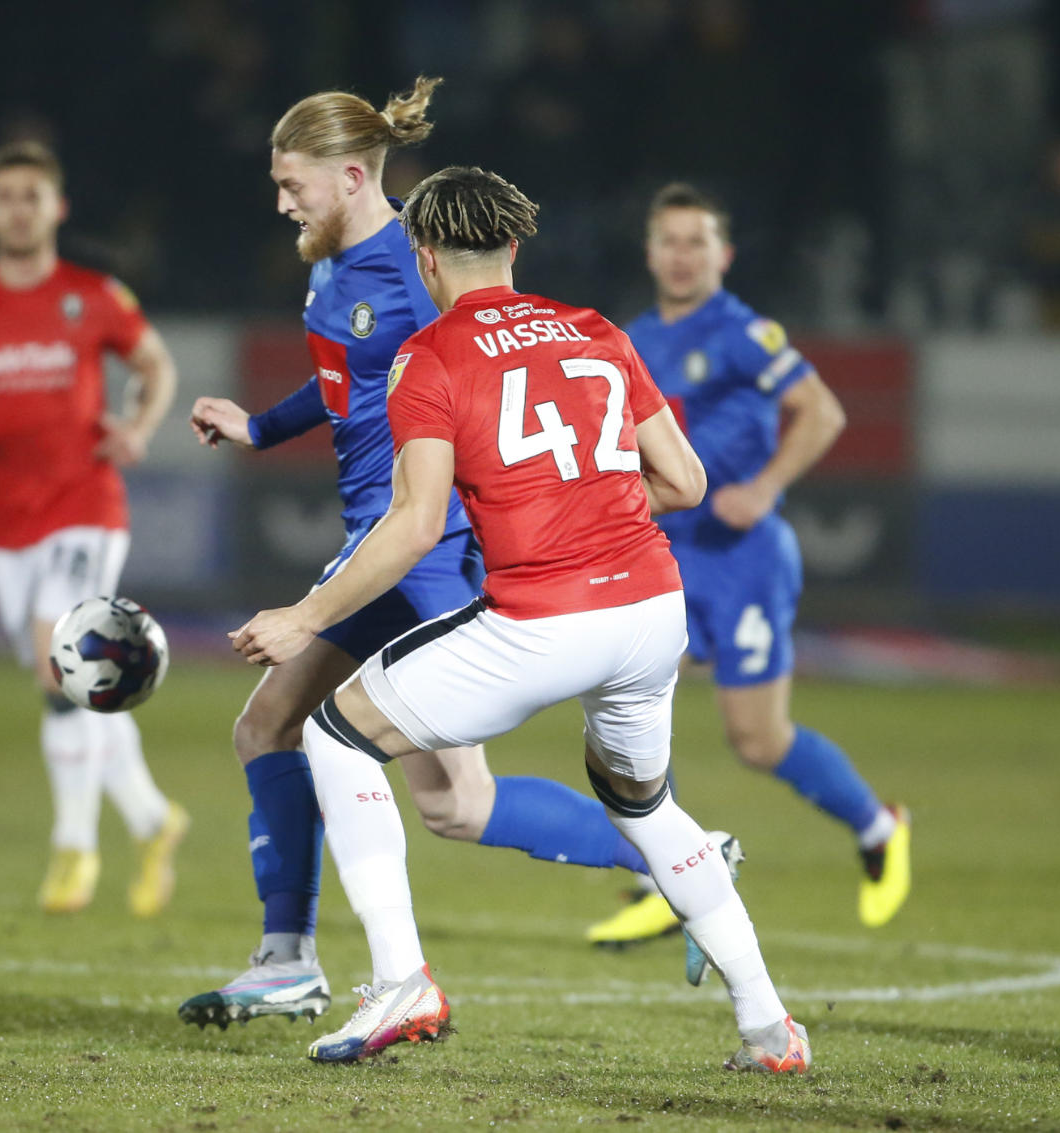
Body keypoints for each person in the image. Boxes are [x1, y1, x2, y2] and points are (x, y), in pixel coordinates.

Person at [232, 165, 808, 1072]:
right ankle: (771, 1028)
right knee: (646, 806)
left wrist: (307, 616)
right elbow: (688, 482)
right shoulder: (597, 330)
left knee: (337, 734)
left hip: (545, 618)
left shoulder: (430, 356)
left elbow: (414, 523)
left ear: (423, 256)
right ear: (513, 246)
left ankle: (399, 981)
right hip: (654, 612)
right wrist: (596, 510)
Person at [180, 79, 671, 1030]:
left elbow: (489, 390)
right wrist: (259, 426)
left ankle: (327, 963)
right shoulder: (332, 261)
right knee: (440, 797)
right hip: (389, 539)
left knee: (298, 734)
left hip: (419, 545)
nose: (282, 203)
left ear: (353, 177)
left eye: (293, 185)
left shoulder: (417, 276)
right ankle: (677, 852)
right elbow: (347, 385)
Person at [587, 183, 911, 949]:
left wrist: (764, 487)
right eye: (669, 240)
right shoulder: (627, 337)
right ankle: (661, 878)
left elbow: (823, 411)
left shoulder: (743, 332)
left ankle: (878, 827)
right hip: (665, 551)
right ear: (650, 251)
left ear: (722, 254)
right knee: (613, 701)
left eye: (697, 241)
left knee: (757, 740)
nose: (682, 254)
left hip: (744, 560)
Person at [0, 140, 188, 918]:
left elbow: (156, 366)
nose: (20, 208)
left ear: (57, 208)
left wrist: (137, 423)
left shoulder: (93, 295)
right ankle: (155, 820)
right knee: (69, 681)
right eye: (6, 196)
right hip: (7, 523)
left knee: (60, 669)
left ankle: (73, 847)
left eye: (34, 195)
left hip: (86, 504)